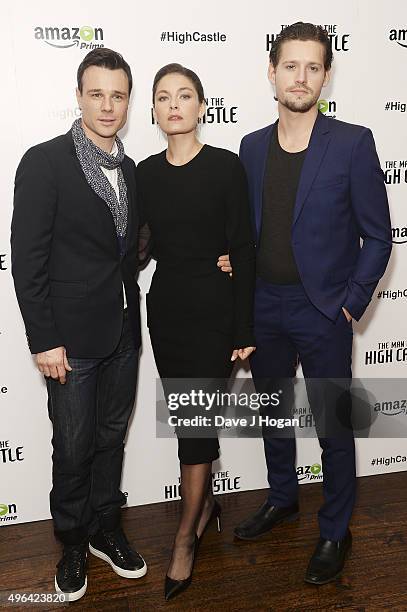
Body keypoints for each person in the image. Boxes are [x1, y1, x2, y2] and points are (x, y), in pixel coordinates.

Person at [230, 22, 392, 584]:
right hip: (263, 306)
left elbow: (380, 234)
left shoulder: (352, 142)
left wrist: (351, 302)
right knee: (273, 413)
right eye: (290, 65)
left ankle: (334, 530)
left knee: (333, 425)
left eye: (313, 67)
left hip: (323, 309)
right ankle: (282, 497)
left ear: (326, 74)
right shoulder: (250, 148)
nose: (301, 77)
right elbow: (248, 231)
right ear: (271, 71)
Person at [11, 48, 148, 601]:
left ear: (128, 101)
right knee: (72, 445)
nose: (108, 106)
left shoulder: (130, 170)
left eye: (118, 96)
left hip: (122, 333)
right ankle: (71, 539)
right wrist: (43, 339)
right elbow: (28, 260)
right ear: (79, 96)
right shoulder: (43, 162)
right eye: (97, 94)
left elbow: (129, 249)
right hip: (68, 339)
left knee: (111, 437)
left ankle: (103, 528)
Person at [136, 63, 256, 601]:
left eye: (185, 96)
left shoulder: (227, 167)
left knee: (196, 422)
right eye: (164, 98)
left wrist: (243, 324)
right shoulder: (143, 172)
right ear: (155, 111)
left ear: (203, 107)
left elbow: (245, 248)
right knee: (189, 416)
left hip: (214, 311)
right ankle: (205, 504)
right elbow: (136, 247)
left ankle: (186, 538)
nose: (175, 105)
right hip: (166, 309)